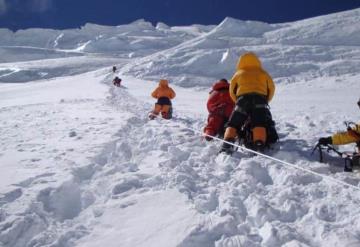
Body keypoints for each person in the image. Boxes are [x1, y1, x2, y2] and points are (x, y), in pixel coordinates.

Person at [221, 52, 275, 154]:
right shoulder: (263, 73)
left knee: (233, 124)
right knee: (259, 123)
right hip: (260, 101)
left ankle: (227, 144)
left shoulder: (238, 73)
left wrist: (237, 101)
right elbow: (271, 89)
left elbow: (232, 90)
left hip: (242, 101)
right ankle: (259, 145)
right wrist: (266, 100)